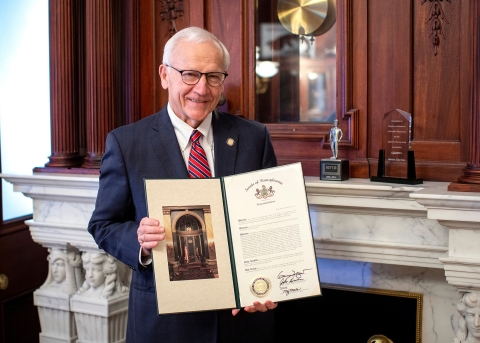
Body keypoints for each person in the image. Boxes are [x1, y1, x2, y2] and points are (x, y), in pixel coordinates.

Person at [88, 26, 278, 342]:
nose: (202, 89)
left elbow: (269, 223)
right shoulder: (127, 143)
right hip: (164, 322)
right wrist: (140, 242)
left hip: (242, 320)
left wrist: (267, 281)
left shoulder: (253, 137)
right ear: (165, 75)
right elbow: (103, 224)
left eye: (214, 76)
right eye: (190, 74)